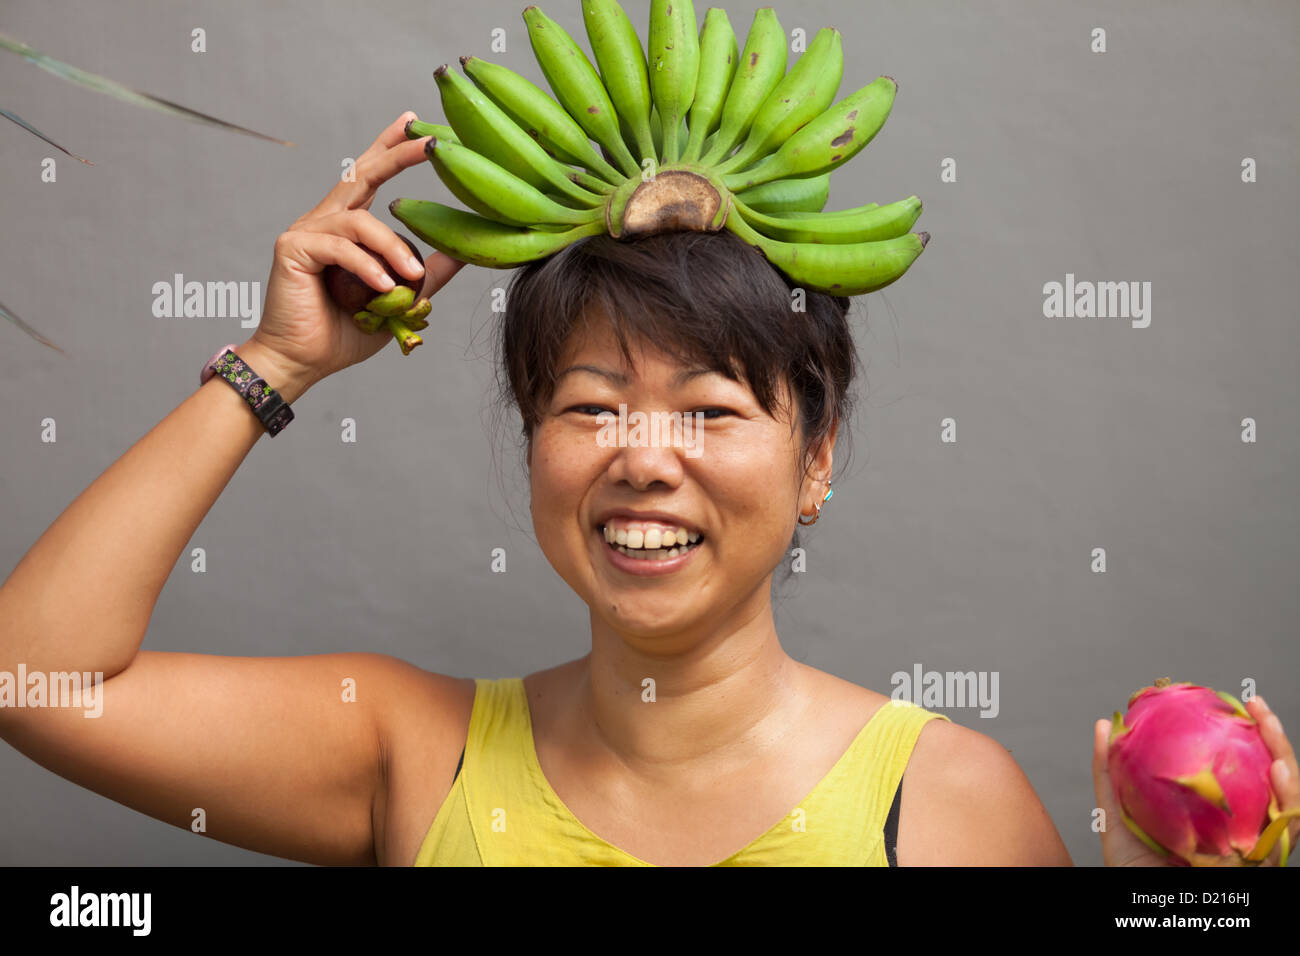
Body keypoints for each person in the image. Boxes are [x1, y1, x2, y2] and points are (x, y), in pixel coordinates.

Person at [1, 113, 1295, 867]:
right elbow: (34, 680)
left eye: (711, 409)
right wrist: (275, 363)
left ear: (818, 458)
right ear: (533, 448)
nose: (641, 451)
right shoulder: (402, 752)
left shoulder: (947, 806)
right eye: (588, 404)